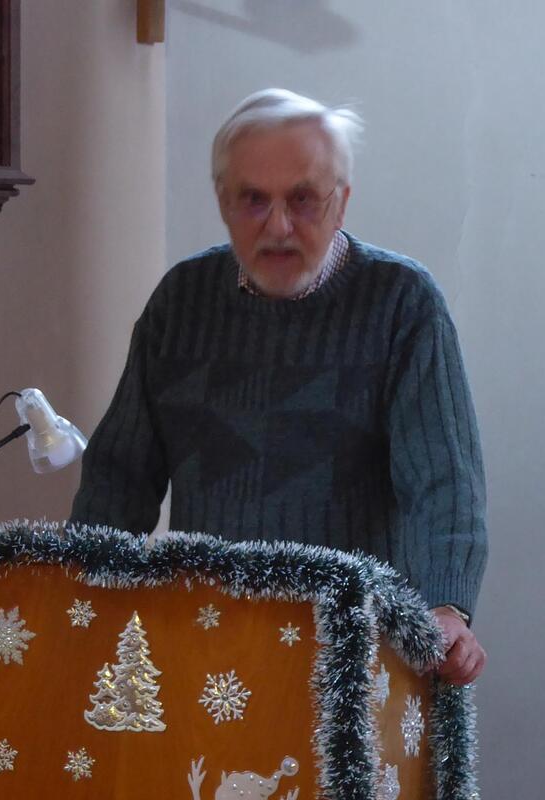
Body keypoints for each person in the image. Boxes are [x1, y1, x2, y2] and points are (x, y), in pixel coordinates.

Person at [70, 89, 487, 684]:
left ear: (342, 203)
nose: (278, 226)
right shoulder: (181, 303)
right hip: (207, 651)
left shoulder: (401, 304)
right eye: (253, 200)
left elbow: (442, 481)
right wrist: (83, 600)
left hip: (355, 658)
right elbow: (120, 474)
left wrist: (447, 606)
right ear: (223, 202)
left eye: (302, 199)